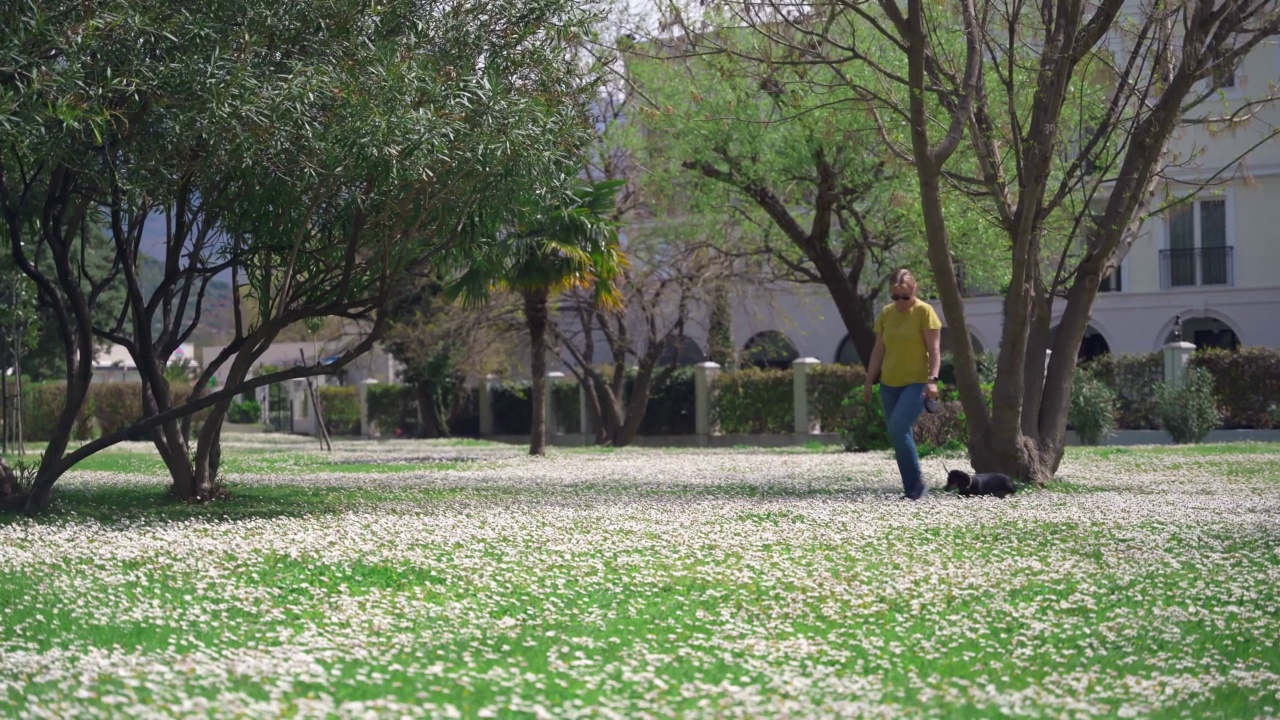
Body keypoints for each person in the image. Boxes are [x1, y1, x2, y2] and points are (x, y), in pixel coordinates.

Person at [863, 268, 942, 500]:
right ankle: (911, 489)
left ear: (914, 290)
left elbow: (935, 350)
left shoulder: (925, 312)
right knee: (899, 435)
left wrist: (933, 380)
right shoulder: (886, 314)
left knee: (897, 428)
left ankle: (916, 486)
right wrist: (869, 381)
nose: (900, 302)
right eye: (895, 297)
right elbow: (878, 351)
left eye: (905, 297)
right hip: (889, 384)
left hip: (916, 383)